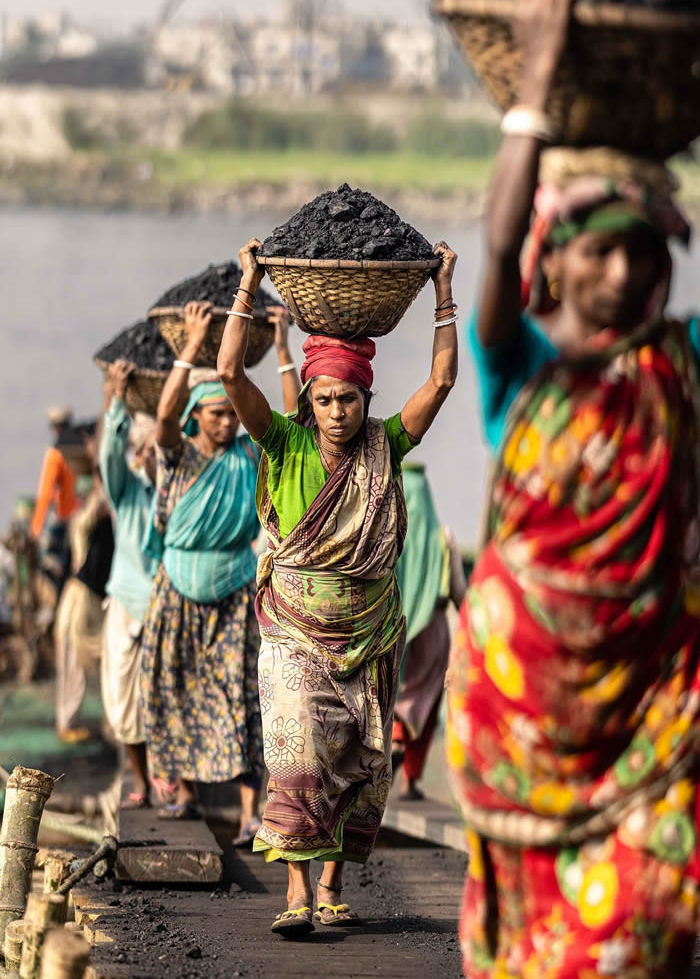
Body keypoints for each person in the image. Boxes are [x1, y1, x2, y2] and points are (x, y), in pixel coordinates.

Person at [446, 0, 700, 977]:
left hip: (644, 718)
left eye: (643, 256)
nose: (622, 276)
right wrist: (538, 81)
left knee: (640, 931)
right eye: (598, 252)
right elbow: (496, 241)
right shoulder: (516, 369)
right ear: (552, 264)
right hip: (523, 715)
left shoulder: (674, 364)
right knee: (531, 947)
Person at [217, 235, 459, 937]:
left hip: (370, 632)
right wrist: (249, 283)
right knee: (297, 755)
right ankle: (294, 891)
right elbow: (232, 372)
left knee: (355, 760)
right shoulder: (284, 445)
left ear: (364, 398)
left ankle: (330, 883)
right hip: (294, 631)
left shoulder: (387, 445)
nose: (335, 411)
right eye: (324, 399)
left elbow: (441, 384)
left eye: (348, 399)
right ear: (312, 401)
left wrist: (443, 290)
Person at [140, 303, 267, 839]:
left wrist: (280, 351)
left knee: (242, 696)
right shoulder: (179, 458)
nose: (227, 420)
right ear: (198, 416)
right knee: (175, 687)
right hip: (177, 590)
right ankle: (186, 795)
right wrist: (191, 348)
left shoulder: (247, 456)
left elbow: (283, 416)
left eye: (230, 413)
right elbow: (164, 416)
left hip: (235, 589)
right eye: (216, 413)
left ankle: (250, 812)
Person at [97, 360, 158, 808]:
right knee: (122, 703)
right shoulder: (128, 491)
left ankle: (168, 782)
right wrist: (116, 399)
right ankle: (142, 782)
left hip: (165, 605)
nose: (151, 456)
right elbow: (106, 457)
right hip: (126, 601)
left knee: (163, 699)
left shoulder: (177, 490)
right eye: (146, 450)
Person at [391, 462, 466, 800]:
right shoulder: (443, 537)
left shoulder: (389, 535)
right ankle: (410, 780)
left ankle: (393, 736)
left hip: (393, 625)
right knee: (426, 697)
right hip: (433, 629)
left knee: (393, 691)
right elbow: (460, 593)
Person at [54, 468, 114, 743]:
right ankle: (68, 722)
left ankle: (103, 720)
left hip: (80, 594)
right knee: (74, 657)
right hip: (82, 597)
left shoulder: (88, 517)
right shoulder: (94, 517)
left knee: (82, 657)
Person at [32, 405, 78, 594]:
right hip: (82, 514)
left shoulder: (55, 454)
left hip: (65, 517)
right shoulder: (80, 449)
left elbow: (46, 493)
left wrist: (36, 527)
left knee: (48, 561)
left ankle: (61, 592)